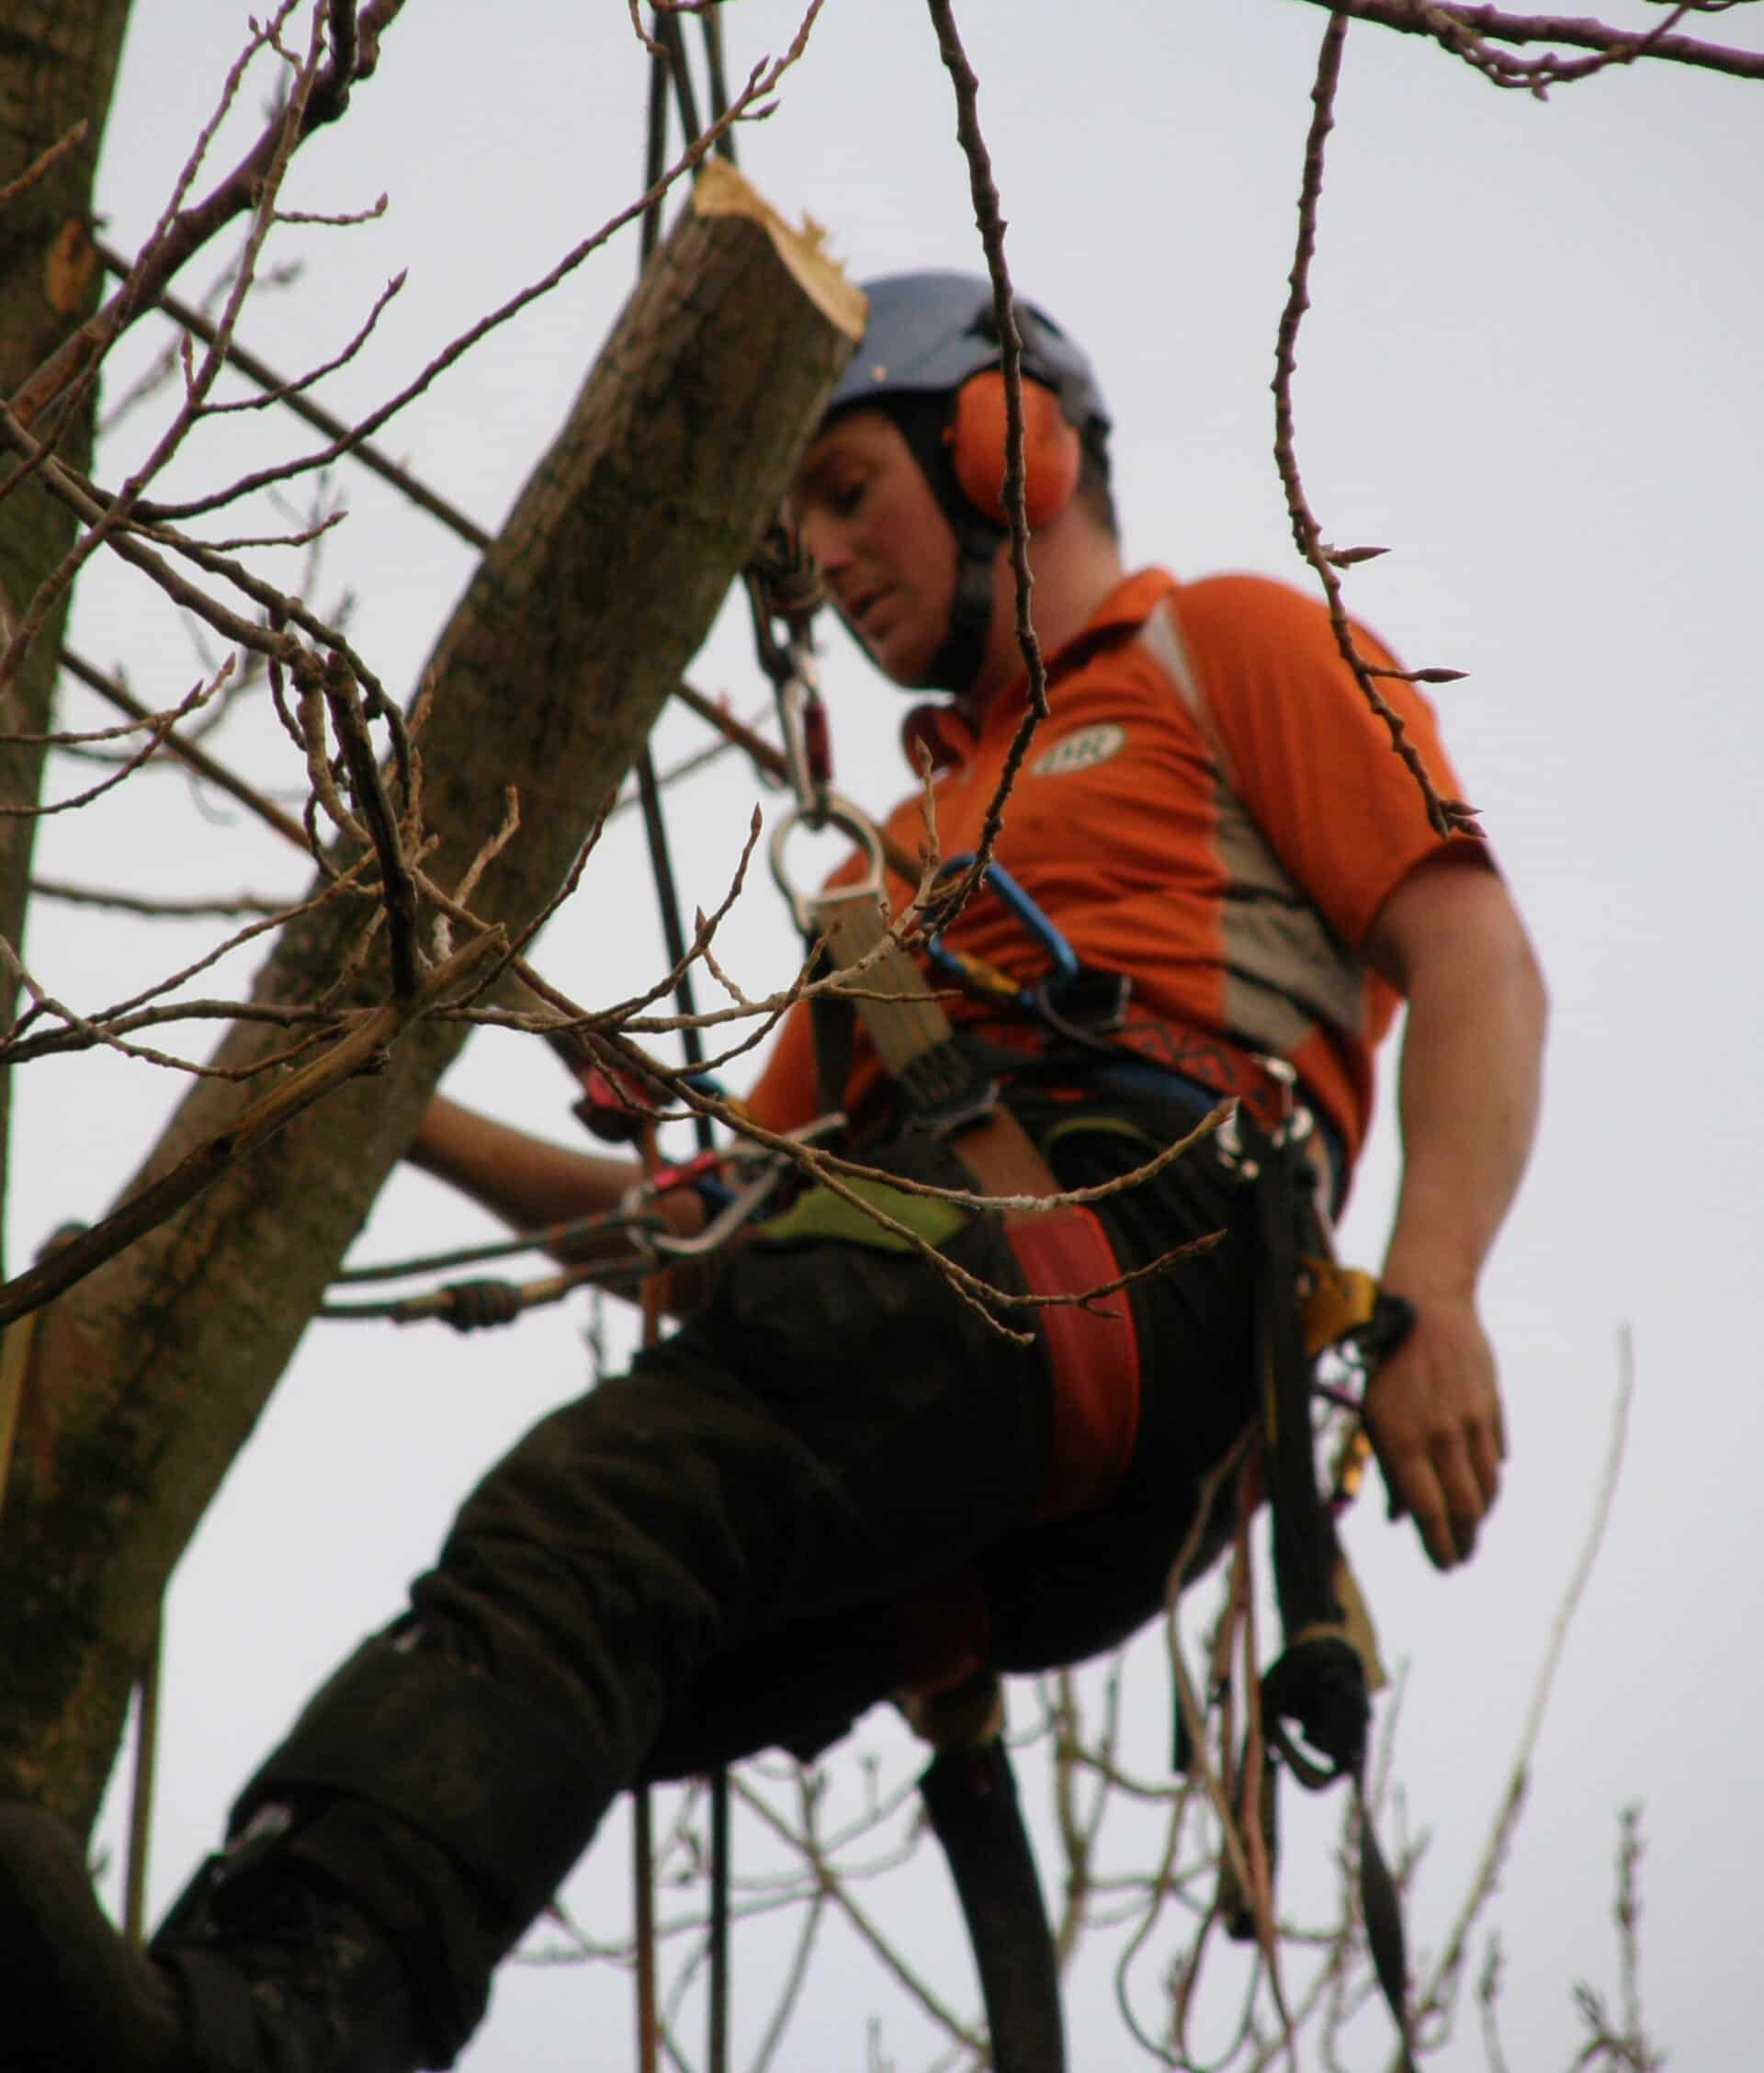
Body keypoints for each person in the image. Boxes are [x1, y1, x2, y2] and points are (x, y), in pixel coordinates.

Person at [0, 274, 1546, 2072]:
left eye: (845, 489)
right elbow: (713, 1235)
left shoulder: (1226, 646)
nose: (817, 555)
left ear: (1012, 449)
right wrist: (386, 1097)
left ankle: (276, 2015)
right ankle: (235, 1995)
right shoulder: (889, 870)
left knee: (596, 1518)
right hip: (992, 1382)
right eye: (794, 523)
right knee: (590, 1637)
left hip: (1141, 1239)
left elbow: (1475, 956)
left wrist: (1434, 1291)